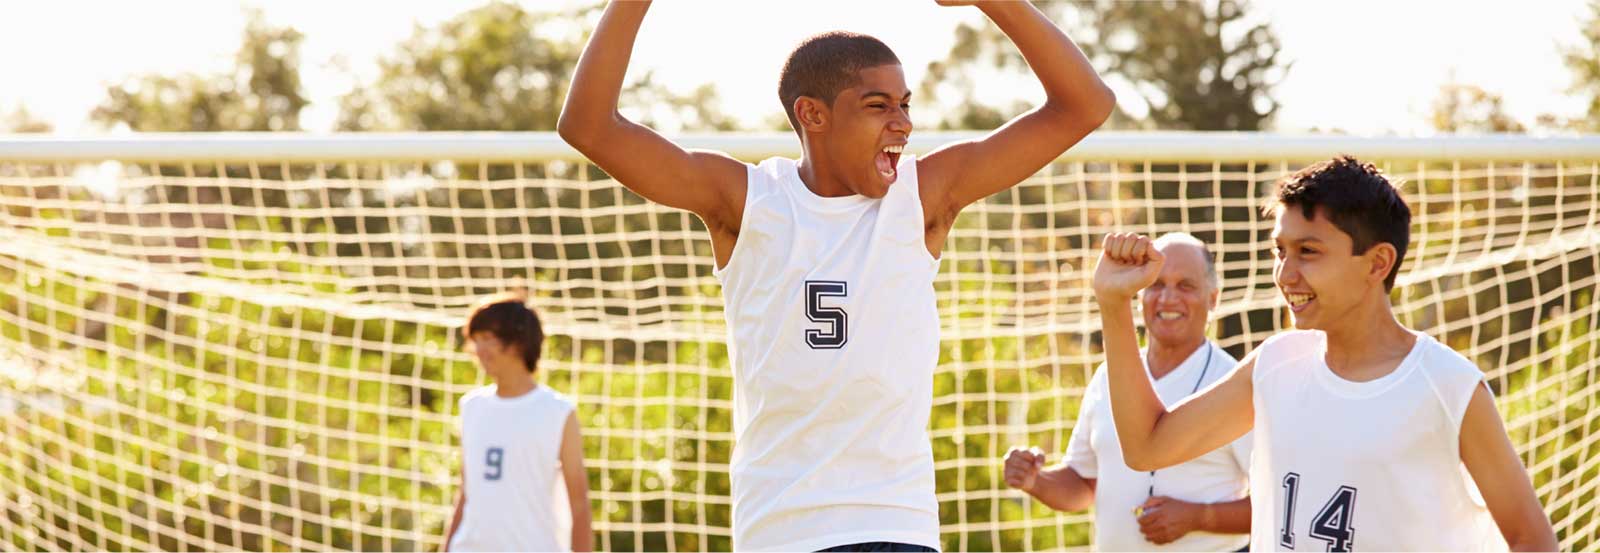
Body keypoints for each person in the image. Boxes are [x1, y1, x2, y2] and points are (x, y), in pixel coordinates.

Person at [558, 1, 1114, 549]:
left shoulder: (921, 197)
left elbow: (1084, 106)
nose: (903, 123)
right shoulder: (748, 200)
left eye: (904, 104)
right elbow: (588, 126)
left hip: (895, 526)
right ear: (813, 115)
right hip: (782, 531)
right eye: (878, 106)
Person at [1092, 156, 1557, 551]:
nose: (1285, 274)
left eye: (1308, 251)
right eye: (1280, 251)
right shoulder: (1277, 363)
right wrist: (1114, 305)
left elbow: (1530, 540)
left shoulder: (1447, 386)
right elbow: (1147, 445)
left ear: (1377, 263)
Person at [1005, 233, 1251, 551]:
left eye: (1185, 286)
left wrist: (1198, 516)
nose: (1168, 298)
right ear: (1139, 294)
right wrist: (1035, 480)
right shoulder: (1108, 376)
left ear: (1213, 298)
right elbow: (1083, 483)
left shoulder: (1236, 383)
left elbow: (1281, 502)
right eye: (1157, 285)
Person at [444, 293, 594, 552]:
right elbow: (466, 492)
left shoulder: (558, 412)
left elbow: (579, 502)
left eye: (487, 339)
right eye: (476, 340)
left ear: (517, 342)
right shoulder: (472, 406)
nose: (479, 350)